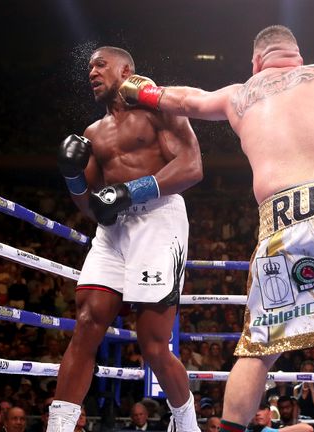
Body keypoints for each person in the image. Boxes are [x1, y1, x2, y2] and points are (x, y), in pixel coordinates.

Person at [118, 25, 314, 432]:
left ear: (256, 61)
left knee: (259, 350)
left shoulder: (238, 94)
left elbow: (185, 100)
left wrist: (139, 89)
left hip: (285, 216)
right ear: (297, 55)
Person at [47, 45, 203, 432]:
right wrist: (72, 175)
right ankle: (59, 425)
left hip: (158, 219)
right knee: (86, 321)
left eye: (101, 64)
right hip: (114, 230)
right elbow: (92, 207)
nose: (92, 72)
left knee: (152, 344)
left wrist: (133, 191)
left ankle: (185, 421)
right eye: (89, 68)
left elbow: (192, 167)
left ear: (126, 69)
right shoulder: (92, 133)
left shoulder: (159, 107)